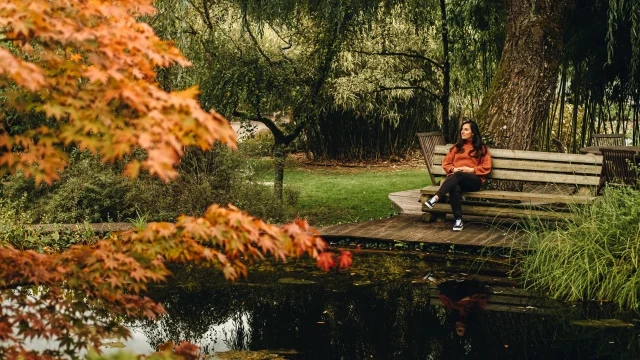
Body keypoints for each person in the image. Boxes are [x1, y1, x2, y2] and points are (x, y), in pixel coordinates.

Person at [424, 120, 492, 231]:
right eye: (462, 129)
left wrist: (471, 170)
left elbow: (487, 167)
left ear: (473, 132)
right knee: (454, 186)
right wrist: (453, 169)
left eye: (466, 129)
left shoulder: (481, 148)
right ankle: (458, 221)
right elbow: (446, 163)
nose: (462, 132)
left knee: (458, 175)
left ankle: (436, 197)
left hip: (474, 181)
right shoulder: (457, 147)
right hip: (456, 179)